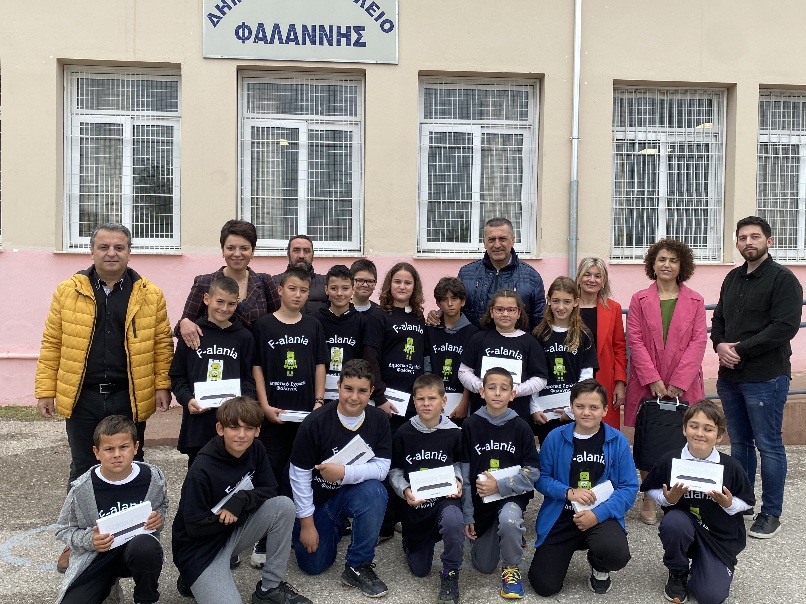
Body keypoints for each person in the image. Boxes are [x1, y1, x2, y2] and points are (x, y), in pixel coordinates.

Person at [35, 223, 173, 572]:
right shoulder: (68, 291)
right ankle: (77, 542)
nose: (112, 253)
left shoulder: (150, 294)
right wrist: (46, 389)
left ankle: (131, 532)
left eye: (119, 247)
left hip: (129, 396)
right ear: (92, 251)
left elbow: (161, 343)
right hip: (83, 397)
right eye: (104, 247)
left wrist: (162, 385)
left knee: (128, 465)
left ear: (129, 252)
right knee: (83, 469)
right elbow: (52, 342)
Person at [712, 215, 802, 540]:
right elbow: (719, 318)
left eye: (755, 236)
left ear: (769, 241)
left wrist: (740, 350)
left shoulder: (783, 279)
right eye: (743, 238)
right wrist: (719, 345)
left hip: (766, 377)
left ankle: (771, 513)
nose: (748, 242)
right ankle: (742, 502)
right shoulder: (733, 277)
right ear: (737, 243)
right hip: (730, 376)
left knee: (769, 445)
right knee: (740, 444)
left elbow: (784, 327)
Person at [171, 396, 311, 604]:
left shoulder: (256, 449)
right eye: (234, 428)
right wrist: (230, 516)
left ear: (257, 431)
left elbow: (270, 490)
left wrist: (240, 500)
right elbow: (193, 527)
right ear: (220, 429)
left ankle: (270, 589)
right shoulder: (202, 468)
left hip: (231, 532)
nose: (242, 435)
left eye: (249, 428)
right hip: (200, 549)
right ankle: (193, 577)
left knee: (283, 506)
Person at [289, 359, 392, 598]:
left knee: (375, 492)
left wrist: (344, 473)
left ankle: (358, 565)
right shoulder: (315, 422)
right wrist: (307, 524)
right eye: (348, 389)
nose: (354, 397)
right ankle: (333, 526)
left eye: (362, 391)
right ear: (338, 386)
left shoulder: (378, 419)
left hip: (351, 493)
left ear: (371, 391)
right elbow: (298, 475)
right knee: (313, 566)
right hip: (317, 500)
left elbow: (382, 468)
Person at [528, 379, 637, 597]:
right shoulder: (555, 438)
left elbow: (629, 487)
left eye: (594, 407)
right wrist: (567, 492)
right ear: (571, 407)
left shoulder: (617, 441)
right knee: (544, 586)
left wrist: (597, 515)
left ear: (605, 410)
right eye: (580, 406)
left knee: (615, 553)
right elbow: (541, 478)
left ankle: (599, 567)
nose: (586, 412)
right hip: (562, 515)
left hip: (601, 516)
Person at [625, 238, 707, 525]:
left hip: (684, 383)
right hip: (648, 382)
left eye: (673, 260)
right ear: (653, 264)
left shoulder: (696, 300)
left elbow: (698, 342)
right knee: (650, 439)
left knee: (683, 439)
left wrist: (679, 381)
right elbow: (635, 340)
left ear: (682, 266)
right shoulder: (639, 299)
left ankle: (677, 497)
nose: (667, 265)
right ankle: (649, 497)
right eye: (662, 259)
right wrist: (652, 378)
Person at [641, 400, 755, 604]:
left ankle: (706, 566)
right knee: (674, 522)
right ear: (684, 429)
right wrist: (667, 499)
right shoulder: (670, 460)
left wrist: (729, 504)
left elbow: (747, 501)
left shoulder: (730, 466)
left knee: (711, 596)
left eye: (708, 429)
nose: (700, 433)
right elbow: (650, 487)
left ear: (719, 436)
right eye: (694, 426)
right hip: (684, 527)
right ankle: (677, 570)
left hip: (717, 536)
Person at [251, 266, 327, 566]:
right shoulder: (264, 325)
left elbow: (320, 364)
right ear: (280, 290)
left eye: (304, 290)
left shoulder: (313, 325)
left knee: (302, 473)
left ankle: (297, 531)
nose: (298, 295)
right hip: (274, 415)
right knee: (270, 475)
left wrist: (319, 402)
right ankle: (263, 538)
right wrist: (264, 405)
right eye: (292, 288)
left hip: (305, 415)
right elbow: (257, 367)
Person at [54, 415, 168, 604]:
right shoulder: (82, 488)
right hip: (96, 557)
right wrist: (90, 540)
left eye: (124, 447)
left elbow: (161, 505)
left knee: (146, 547)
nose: (117, 454)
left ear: (136, 447)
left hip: (135, 551)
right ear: (96, 452)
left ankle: (145, 599)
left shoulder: (152, 478)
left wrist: (159, 518)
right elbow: (63, 529)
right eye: (109, 449)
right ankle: (108, 587)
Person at [461, 367, 540, 600]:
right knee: (484, 566)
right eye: (492, 388)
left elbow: (533, 473)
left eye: (504, 389)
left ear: (512, 394)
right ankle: (504, 533)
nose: (497, 393)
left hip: (510, 498)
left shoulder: (521, 427)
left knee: (509, 519)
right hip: (481, 503)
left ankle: (511, 568)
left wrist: (500, 486)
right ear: (482, 392)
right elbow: (464, 475)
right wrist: (468, 515)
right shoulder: (470, 425)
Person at [363, 262, 427, 540]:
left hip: (413, 404)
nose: (402, 286)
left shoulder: (420, 318)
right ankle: (384, 524)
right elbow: (371, 358)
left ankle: (404, 516)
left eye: (408, 282)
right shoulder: (379, 316)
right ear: (389, 284)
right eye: (397, 281)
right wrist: (379, 397)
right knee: (385, 462)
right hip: (386, 404)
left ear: (415, 287)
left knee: (406, 459)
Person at [389, 374, 465, 603]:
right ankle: (412, 541)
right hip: (417, 504)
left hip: (444, 499)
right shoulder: (403, 433)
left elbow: (458, 463)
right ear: (414, 401)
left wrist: (458, 480)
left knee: (454, 522)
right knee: (420, 570)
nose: (426, 404)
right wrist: (404, 490)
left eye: (432, 398)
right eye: (421, 399)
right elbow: (395, 470)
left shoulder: (454, 432)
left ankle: (450, 572)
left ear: (444, 401)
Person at [169, 276, 257, 468]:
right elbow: (177, 377)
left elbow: (249, 380)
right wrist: (187, 400)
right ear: (207, 299)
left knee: (233, 476)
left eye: (231, 304)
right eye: (220, 301)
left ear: (237, 303)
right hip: (199, 425)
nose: (224, 308)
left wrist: (244, 408)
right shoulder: (191, 334)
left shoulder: (244, 337)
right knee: (199, 475)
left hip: (233, 424)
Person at [175, 220, 280, 349]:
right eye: (231, 248)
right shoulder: (205, 283)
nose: (237, 254)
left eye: (244, 248)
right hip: (217, 355)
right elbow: (184, 327)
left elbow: (279, 323)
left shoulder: (265, 282)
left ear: (252, 251)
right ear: (223, 250)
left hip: (256, 357)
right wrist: (184, 323)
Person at [458, 290, 547, 423]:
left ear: (519, 313)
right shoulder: (479, 339)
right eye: (499, 309)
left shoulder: (530, 343)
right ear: (491, 312)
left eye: (511, 310)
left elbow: (540, 379)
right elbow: (464, 371)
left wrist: (514, 390)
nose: (505, 314)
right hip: (481, 413)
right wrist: (483, 387)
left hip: (517, 414)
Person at [531, 276, 598, 445]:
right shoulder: (539, 334)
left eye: (566, 302)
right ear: (548, 300)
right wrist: (534, 408)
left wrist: (575, 407)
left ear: (576, 302)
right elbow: (532, 374)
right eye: (556, 301)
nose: (560, 307)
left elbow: (586, 376)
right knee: (549, 453)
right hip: (545, 412)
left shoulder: (584, 334)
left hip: (573, 410)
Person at [454, 217, 545, 330]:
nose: (497, 245)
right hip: (474, 340)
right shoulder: (466, 274)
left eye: (502, 239)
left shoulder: (531, 277)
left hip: (516, 341)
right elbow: (453, 307)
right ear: (484, 242)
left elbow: (539, 321)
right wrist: (439, 314)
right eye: (491, 239)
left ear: (513, 240)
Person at [575, 258, 627, 430]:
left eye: (598, 276)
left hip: (603, 378)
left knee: (604, 431)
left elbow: (619, 348)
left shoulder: (613, 308)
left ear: (604, 281)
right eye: (587, 274)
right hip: (572, 376)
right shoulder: (568, 306)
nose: (592, 280)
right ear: (579, 277)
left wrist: (620, 382)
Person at [424, 277, 479, 424]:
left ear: (463, 301)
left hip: (460, 400)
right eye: (444, 299)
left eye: (454, 298)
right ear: (438, 303)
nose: (450, 304)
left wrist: (464, 403)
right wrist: (429, 396)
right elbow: (426, 365)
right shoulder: (430, 329)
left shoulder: (472, 332)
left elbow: (471, 370)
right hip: (434, 396)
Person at [316, 265, 365, 403]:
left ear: (353, 289)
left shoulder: (362, 322)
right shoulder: (315, 321)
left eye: (345, 288)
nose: (339, 293)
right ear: (326, 289)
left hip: (351, 394)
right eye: (334, 288)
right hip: (320, 394)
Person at [272, 235, 328, 315]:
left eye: (306, 251)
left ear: (312, 255)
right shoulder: (273, 283)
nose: (301, 256)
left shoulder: (326, 283)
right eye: (296, 250)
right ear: (288, 254)